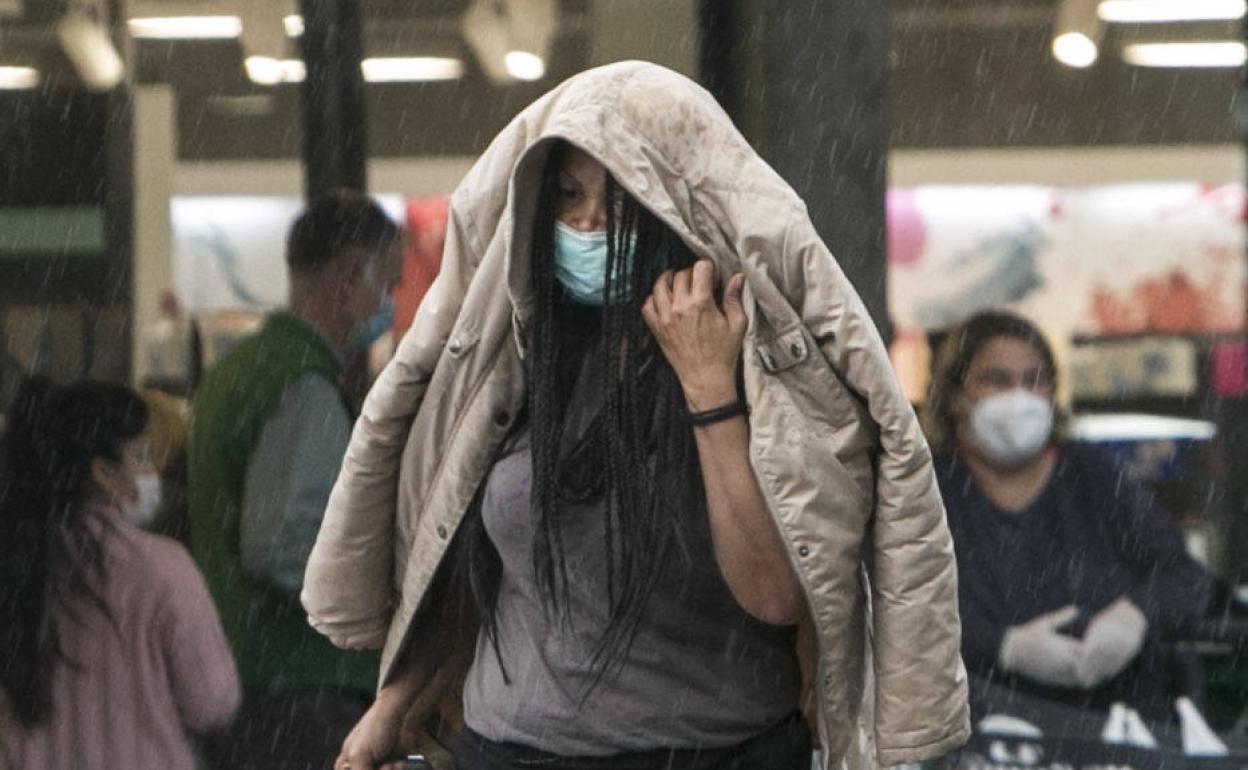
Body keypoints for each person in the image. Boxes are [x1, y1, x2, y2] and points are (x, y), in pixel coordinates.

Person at [302, 62, 970, 770]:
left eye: (618, 200)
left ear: (672, 206)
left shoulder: (756, 358)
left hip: (712, 753)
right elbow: (489, 571)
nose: (588, 225)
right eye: (566, 196)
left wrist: (708, 385)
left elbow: (776, 593)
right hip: (509, 750)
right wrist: (396, 705)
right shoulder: (520, 351)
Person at [187, 190, 402, 769]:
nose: (391, 302)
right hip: (300, 687)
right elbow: (280, 544)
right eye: (391, 283)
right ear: (351, 277)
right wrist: (377, 603)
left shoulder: (239, 368)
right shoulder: (303, 384)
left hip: (244, 670)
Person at [922, 310, 1211, 724]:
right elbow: (901, 618)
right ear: (953, 397)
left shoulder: (1091, 477)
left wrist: (1135, 615)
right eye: (996, 380)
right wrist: (1004, 648)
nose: (1019, 396)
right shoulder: (931, 495)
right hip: (985, 731)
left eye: (1034, 380)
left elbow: (1187, 580)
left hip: (1119, 727)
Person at [0, 376, 240, 770]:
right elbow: (213, 701)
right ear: (106, 473)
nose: (153, 473)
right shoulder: (162, 570)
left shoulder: (15, 563)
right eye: (142, 457)